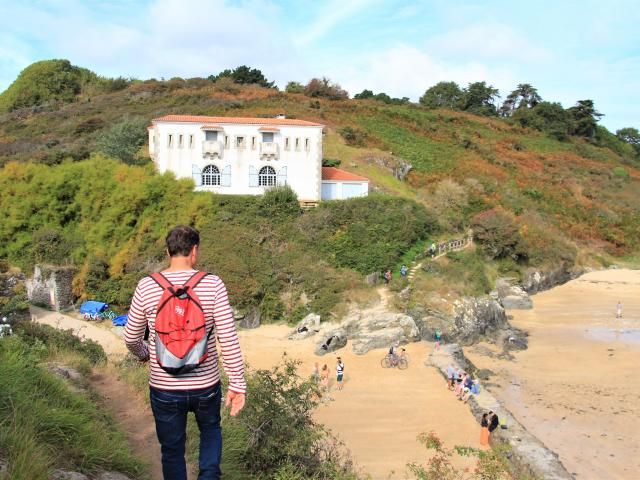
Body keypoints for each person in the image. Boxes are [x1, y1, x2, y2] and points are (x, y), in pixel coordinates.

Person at [124, 225, 246, 480]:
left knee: (172, 451)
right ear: (194, 251)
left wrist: (145, 354)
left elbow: (131, 337)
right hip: (206, 386)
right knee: (211, 432)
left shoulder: (146, 286)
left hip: (164, 386)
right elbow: (228, 338)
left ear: (168, 251)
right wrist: (238, 383)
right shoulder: (213, 284)